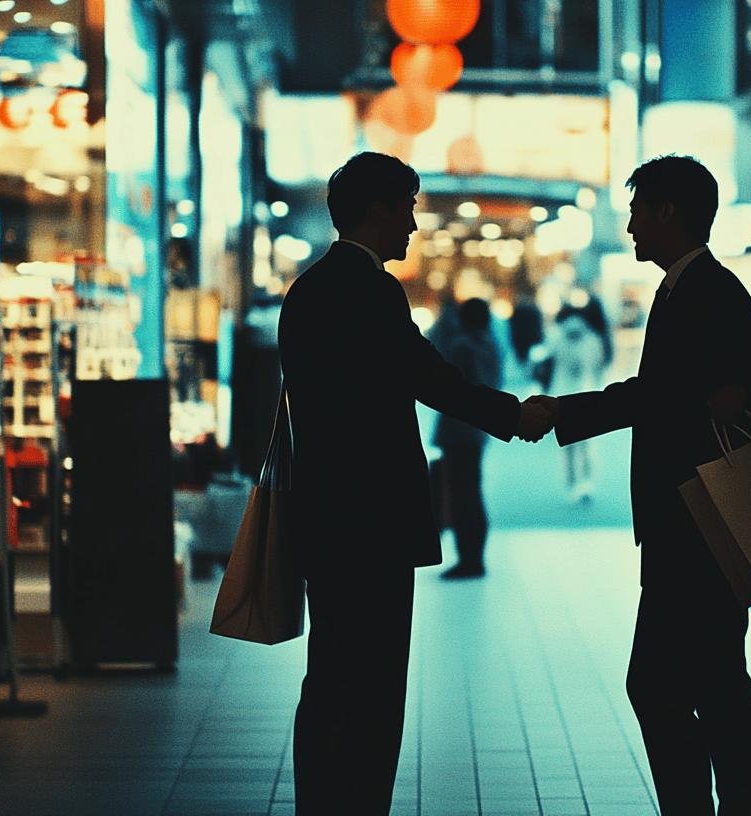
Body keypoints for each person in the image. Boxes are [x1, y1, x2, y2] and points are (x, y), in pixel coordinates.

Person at [277, 152, 553, 814]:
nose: (412, 221)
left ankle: (321, 802)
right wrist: (512, 415)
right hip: (372, 518)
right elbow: (427, 377)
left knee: (330, 677)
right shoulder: (369, 289)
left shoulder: (309, 290)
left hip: (324, 514)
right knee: (372, 685)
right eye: (407, 205)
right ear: (376, 208)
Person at [529, 155, 751, 815]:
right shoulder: (688, 289)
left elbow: (666, 397)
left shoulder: (709, 293)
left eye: (638, 210)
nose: (630, 224)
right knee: (716, 684)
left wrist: (565, 410)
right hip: (692, 521)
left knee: (666, 686)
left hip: (701, 523)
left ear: (668, 212)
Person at [433, 297, 502, 578]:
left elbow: (450, 388)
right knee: (472, 491)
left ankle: (468, 559)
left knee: (462, 494)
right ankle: (475, 556)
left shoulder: (460, 346)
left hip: (457, 429)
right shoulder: (490, 343)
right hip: (477, 430)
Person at [548, 305, 608, 503]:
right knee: (587, 445)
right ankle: (587, 483)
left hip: (560, 395)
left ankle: (571, 484)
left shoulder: (556, 337)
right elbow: (600, 365)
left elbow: (545, 360)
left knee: (567, 446)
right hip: (587, 395)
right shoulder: (592, 339)